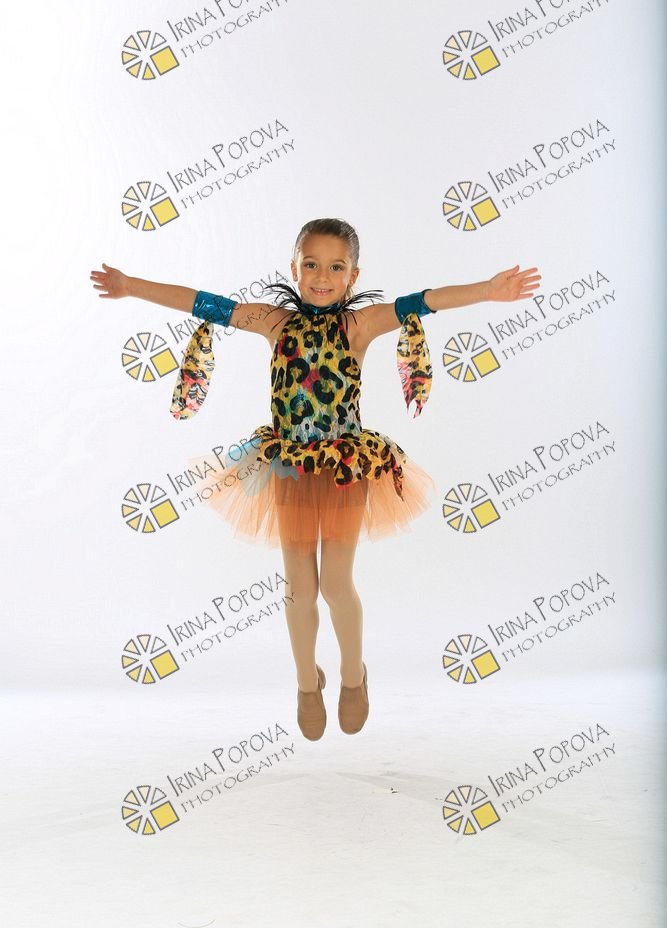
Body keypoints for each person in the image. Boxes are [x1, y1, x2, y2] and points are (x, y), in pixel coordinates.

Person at [89, 218, 540, 741]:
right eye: (311, 264)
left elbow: (425, 301)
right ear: (294, 268)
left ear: (353, 275)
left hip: (346, 467)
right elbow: (202, 302)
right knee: (299, 589)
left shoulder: (360, 326)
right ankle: (307, 683)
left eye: (335, 267)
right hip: (288, 464)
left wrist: (487, 290)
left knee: (335, 585)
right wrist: (130, 286)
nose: (322, 277)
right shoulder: (274, 323)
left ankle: (353, 677)